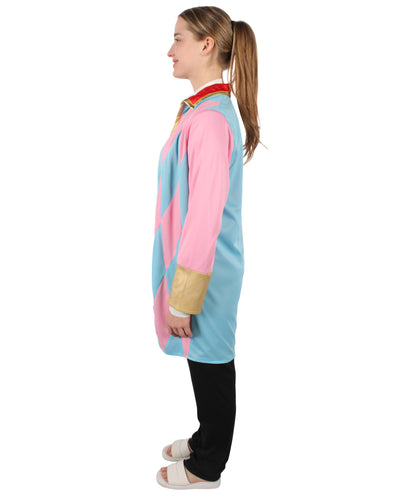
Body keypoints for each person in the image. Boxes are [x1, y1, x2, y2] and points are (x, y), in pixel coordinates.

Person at [152, 6, 260, 490]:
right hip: (200, 265)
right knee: (202, 357)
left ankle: (208, 465)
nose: (169, 50)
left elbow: (204, 215)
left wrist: (183, 296)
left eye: (178, 39)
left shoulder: (212, 121)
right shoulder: (203, 110)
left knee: (213, 362)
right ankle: (205, 437)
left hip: (206, 272)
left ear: (206, 45)